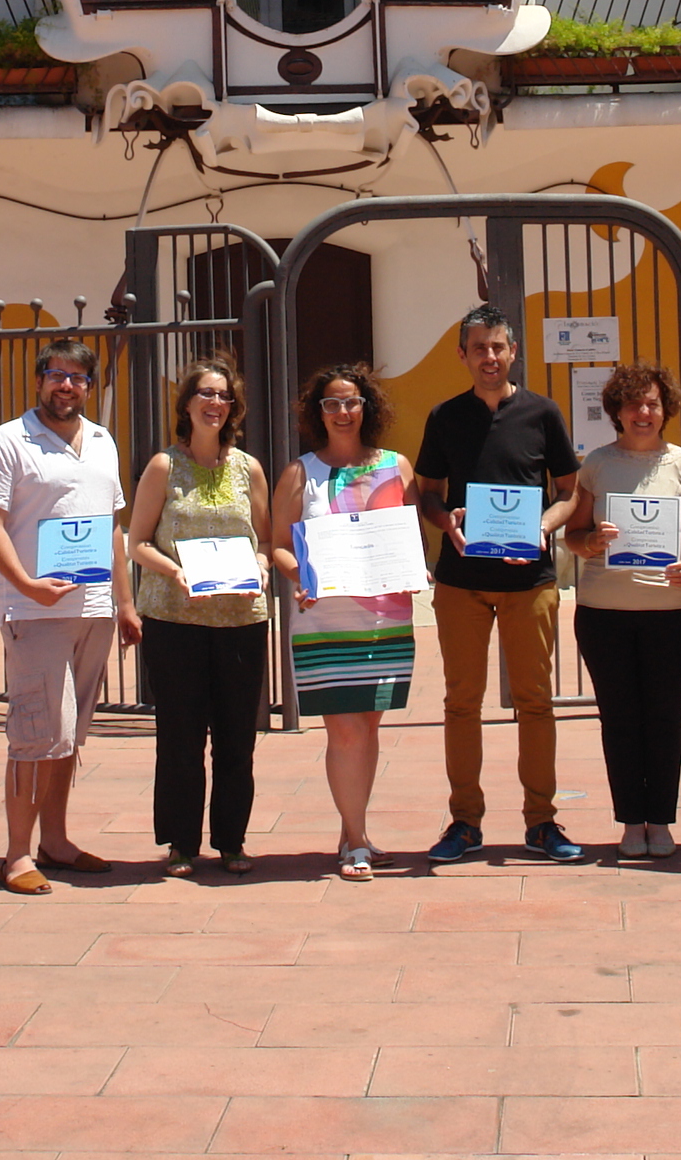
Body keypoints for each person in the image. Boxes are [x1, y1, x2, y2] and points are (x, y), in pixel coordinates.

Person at [412, 305, 585, 864]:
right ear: (462, 355)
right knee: (462, 703)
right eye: (479, 348)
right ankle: (465, 822)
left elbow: (569, 491)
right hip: (461, 580)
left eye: (498, 347)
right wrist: (447, 523)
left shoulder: (542, 413)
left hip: (529, 580)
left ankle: (542, 821)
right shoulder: (444, 416)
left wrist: (543, 527)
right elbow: (427, 492)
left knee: (534, 701)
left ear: (513, 352)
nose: (489, 357)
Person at [0, 335, 141, 894]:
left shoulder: (102, 441)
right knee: (35, 732)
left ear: (89, 386)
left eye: (77, 377)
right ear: (39, 379)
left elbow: (112, 526)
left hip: (93, 609)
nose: (66, 386)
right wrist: (25, 584)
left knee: (70, 733)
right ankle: (17, 854)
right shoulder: (8, 441)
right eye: (56, 375)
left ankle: (57, 842)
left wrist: (124, 603)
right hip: (34, 609)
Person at [265, 365, 418, 880]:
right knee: (346, 732)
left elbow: (410, 535)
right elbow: (279, 545)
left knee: (368, 727)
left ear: (367, 407)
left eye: (351, 402)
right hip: (324, 621)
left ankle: (355, 829)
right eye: (331, 404)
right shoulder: (300, 473)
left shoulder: (397, 466)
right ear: (318, 412)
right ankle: (355, 841)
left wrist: (414, 568)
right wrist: (301, 576)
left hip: (384, 620)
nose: (343, 412)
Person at [123, 357, 269, 875]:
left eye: (224, 396)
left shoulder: (248, 468)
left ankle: (232, 840)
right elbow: (138, 542)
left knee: (237, 738)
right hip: (175, 621)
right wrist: (175, 570)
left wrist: (262, 567)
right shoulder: (164, 466)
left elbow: (264, 541)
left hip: (240, 620)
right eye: (206, 393)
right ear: (186, 403)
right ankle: (181, 842)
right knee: (180, 736)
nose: (215, 403)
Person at [563, 365, 681, 860]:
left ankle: (661, 820)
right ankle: (630, 820)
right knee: (619, 719)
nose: (643, 412)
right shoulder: (597, 464)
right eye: (633, 404)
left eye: (652, 403)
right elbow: (573, 536)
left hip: (672, 612)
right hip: (604, 613)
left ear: (665, 410)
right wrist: (591, 542)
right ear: (617, 412)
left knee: (665, 718)